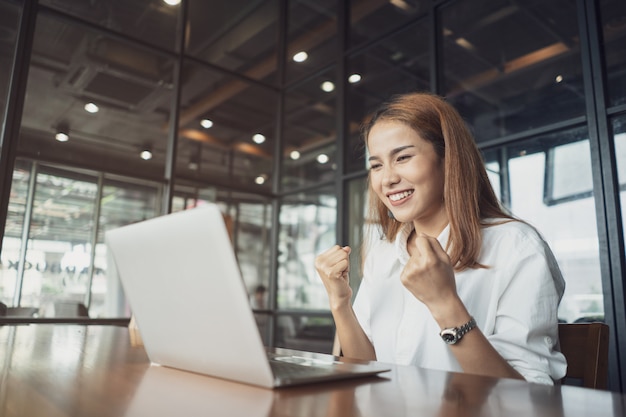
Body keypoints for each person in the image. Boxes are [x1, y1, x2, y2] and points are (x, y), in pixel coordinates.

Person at [314, 92, 567, 385]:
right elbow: (366, 370)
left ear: (449, 159)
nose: (387, 179)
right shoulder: (383, 255)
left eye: (403, 157)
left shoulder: (515, 246)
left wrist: (445, 303)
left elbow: (530, 397)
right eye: (376, 165)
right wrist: (340, 303)